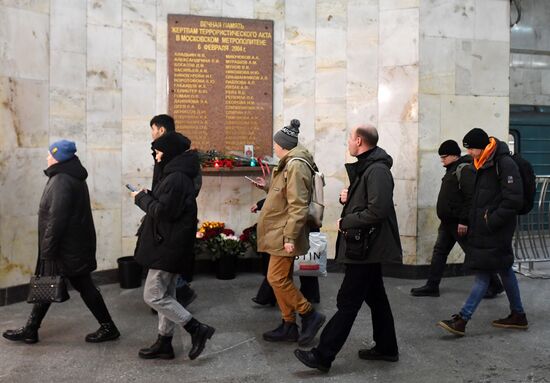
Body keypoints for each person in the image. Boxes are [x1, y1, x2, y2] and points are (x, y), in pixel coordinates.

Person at [294, 125, 401, 373]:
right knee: (377, 299)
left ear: (360, 140)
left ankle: (323, 355)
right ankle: (387, 348)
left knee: (348, 301)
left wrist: (347, 220)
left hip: (367, 249)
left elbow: (378, 210)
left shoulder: (377, 170)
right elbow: (367, 200)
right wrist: (349, 197)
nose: (349, 144)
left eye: (350, 139)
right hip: (365, 248)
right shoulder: (369, 167)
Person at [2, 140, 120, 344]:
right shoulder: (68, 176)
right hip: (71, 246)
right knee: (53, 283)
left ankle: (108, 327)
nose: (47, 157)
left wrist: (47, 249)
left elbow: (57, 219)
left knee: (75, 285)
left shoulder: (62, 180)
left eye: (50, 154)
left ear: (59, 157)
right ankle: (32, 328)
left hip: (65, 248)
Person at [132, 131, 215, 360]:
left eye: (158, 153)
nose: (156, 158)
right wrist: (149, 194)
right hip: (169, 243)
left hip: (168, 245)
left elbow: (162, 212)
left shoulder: (176, 178)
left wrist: (141, 199)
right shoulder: (175, 175)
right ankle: (164, 342)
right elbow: (166, 203)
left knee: (153, 296)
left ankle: (196, 328)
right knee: (167, 293)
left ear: (168, 153)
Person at [438, 128, 528, 337]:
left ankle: (462, 319)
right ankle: (518, 315)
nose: (468, 153)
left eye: (470, 149)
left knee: (483, 274)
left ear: (481, 147)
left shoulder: (503, 163)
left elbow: (513, 199)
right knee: (504, 269)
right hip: (487, 228)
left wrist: (491, 220)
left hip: (497, 228)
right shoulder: (482, 163)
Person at [254, 119, 326, 346]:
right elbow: (283, 191)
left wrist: (289, 238)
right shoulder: (290, 163)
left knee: (275, 277)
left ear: (282, 144)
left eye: (275, 143)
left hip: (283, 231)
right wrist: (266, 186)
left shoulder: (295, 165)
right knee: (280, 278)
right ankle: (288, 325)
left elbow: (298, 205)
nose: (274, 147)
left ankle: (309, 314)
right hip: (279, 229)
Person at [410, 140, 504, 298]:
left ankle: (495, 285)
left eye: (444, 157)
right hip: (448, 222)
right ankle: (432, 286)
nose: (442, 160)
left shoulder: (464, 169)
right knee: (439, 252)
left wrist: (464, 221)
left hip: (458, 223)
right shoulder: (452, 169)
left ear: (454, 155)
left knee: (473, 253)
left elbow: (470, 198)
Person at [149, 114, 198, 306]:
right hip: (164, 206)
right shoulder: (168, 155)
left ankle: (180, 301)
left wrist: (157, 199)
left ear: (161, 130)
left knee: (166, 264)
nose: (152, 134)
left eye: (153, 129)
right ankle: (173, 298)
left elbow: (183, 187)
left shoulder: (178, 159)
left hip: (172, 214)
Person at [251, 198, 321, 306]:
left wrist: (289, 238)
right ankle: (308, 298)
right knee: (301, 265)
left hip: (295, 224)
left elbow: (288, 195)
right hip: (302, 222)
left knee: (279, 269)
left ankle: (306, 309)